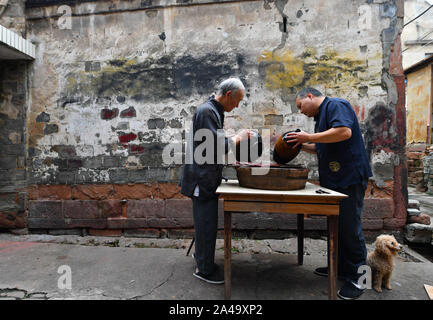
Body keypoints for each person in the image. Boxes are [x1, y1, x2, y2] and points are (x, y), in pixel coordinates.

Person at [285, 87, 372, 300]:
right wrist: (302, 143)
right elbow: (323, 146)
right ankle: (342, 269)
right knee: (338, 227)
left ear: (310, 96)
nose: (301, 111)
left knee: (351, 229)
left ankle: (361, 279)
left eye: (300, 106)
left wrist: (309, 136)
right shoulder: (320, 116)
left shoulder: (336, 105)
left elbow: (344, 132)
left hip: (350, 177)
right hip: (335, 180)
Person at [179, 78, 251, 284]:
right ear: (228, 95)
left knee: (205, 223)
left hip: (206, 177)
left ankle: (202, 258)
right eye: (237, 100)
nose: (237, 105)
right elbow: (212, 146)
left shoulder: (213, 111)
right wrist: (238, 137)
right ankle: (204, 270)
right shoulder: (207, 111)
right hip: (201, 180)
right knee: (206, 224)